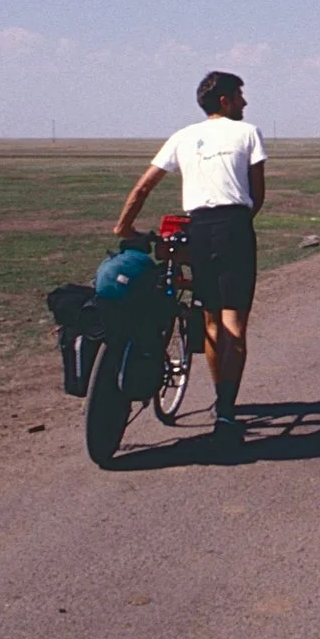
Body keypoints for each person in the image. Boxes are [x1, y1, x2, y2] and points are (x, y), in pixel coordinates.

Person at [114, 71, 267, 440]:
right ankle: (226, 411)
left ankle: (221, 400)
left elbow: (143, 186)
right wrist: (237, 223)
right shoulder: (248, 133)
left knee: (212, 320)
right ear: (226, 101)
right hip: (235, 227)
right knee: (236, 325)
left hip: (198, 230)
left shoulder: (182, 136)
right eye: (240, 96)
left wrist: (124, 227)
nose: (245, 103)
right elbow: (257, 195)